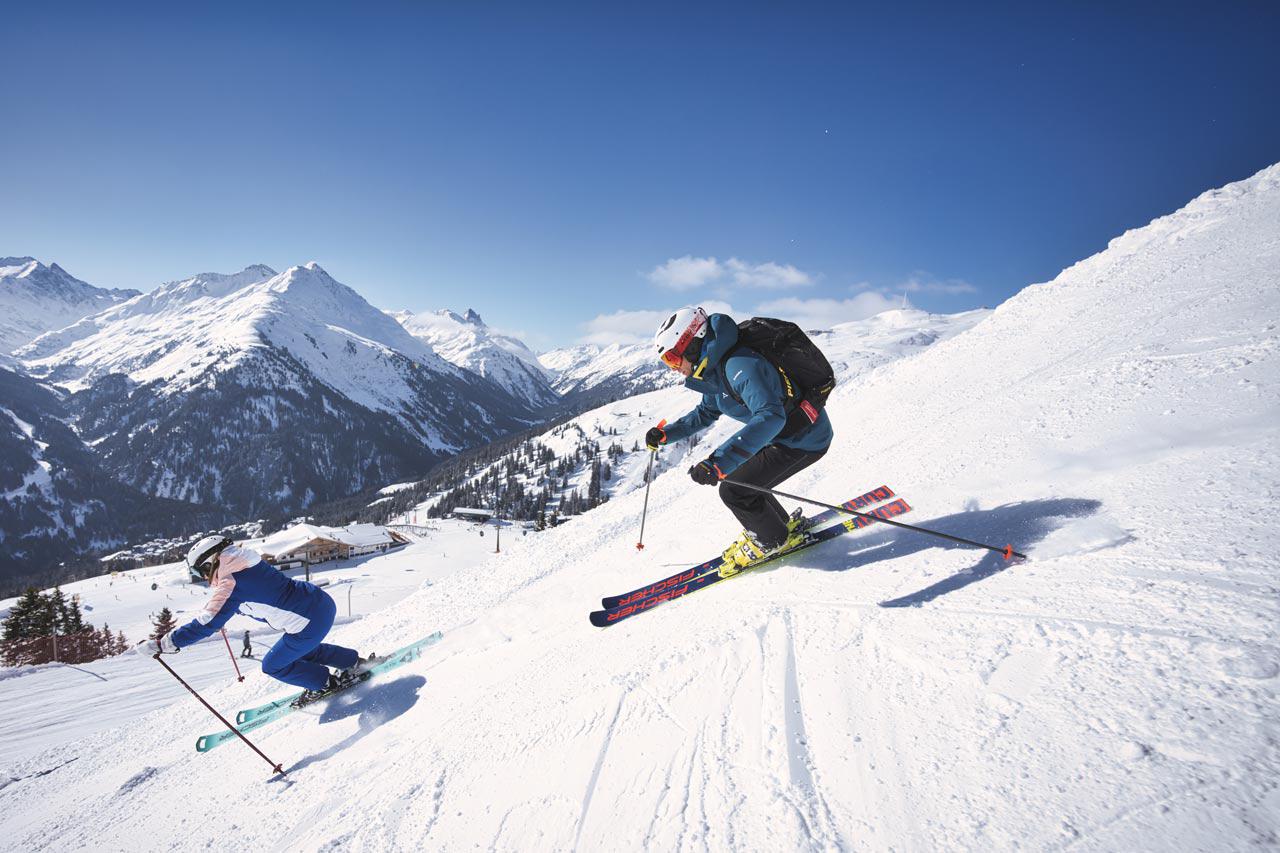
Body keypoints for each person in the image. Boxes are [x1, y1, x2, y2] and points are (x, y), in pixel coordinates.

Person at [647, 306, 833, 576]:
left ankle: (771, 540)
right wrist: (666, 435)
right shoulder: (714, 369)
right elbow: (706, 412)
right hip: (781, 437)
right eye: (668, 363)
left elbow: (770, 416)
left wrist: (718, 463)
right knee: (745, 482)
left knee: (735, 490)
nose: (674, 368)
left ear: (692, 344)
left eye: (674, 359)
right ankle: (780, 529)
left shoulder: (740, 366)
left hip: (803, 439)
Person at [135, 536, 369, 700]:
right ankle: (352, 662)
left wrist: (164, 644)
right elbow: (252, 594)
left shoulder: (231, 581)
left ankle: (325, 683)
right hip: (319, 603)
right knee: (302, 650)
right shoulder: (245, 562)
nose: (202, 577)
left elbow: (208, 623)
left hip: (307, 622)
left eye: (199, 571)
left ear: (210, 562)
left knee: (272, 666)